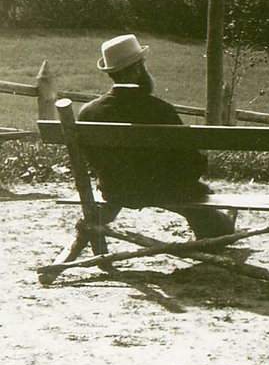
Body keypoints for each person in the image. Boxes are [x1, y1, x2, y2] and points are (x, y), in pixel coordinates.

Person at [77, 34, 235, 239]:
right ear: (135, 70)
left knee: (198, 192)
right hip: (165, 190)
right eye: (142, 65)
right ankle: (217, 230)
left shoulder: (88, 113)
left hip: (114, 190)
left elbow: (90, 158)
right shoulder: (161, 110)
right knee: (211, 212)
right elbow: (192, 163)